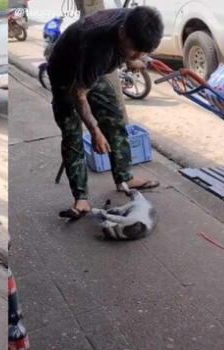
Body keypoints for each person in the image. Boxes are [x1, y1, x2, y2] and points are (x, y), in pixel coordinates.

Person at [47, 6, 164, 218]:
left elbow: (131, 50)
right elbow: (78, 94)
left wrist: (133, 58)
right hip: (66, 74)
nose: (138, 56)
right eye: (134, 50)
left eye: (142, 52)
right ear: (122, 33)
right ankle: (81, 199)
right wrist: (95, 131)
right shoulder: (98, 46)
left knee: (114, 119)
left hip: (91, 73)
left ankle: (124, 177)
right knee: (72, 133)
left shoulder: (133, 21)